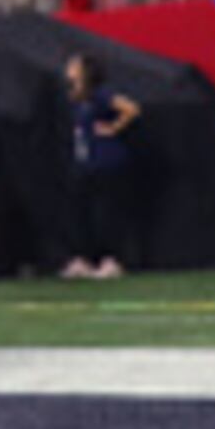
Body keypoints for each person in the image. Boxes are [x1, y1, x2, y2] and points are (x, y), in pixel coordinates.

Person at [59, 51, 143, 279]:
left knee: (107, 211)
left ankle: (111, 259)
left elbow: (132, 109)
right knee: (81, 213)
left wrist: (113, 128)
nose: (69, 68)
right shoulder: (75, 98)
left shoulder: (100, 95)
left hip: (106, 160)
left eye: (74, 65)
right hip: (84, 162)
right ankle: (84, 259)